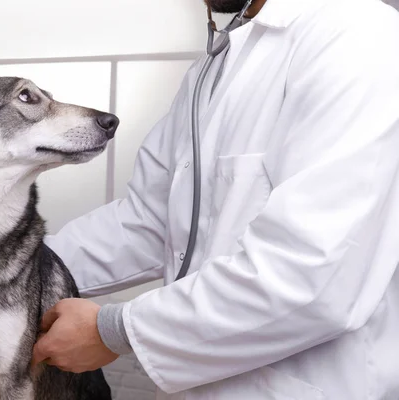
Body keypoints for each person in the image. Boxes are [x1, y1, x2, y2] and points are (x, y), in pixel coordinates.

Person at [32, 0, 399, 398]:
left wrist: (114, 331)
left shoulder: (358, 33)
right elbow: (150, 222)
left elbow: (315, 273)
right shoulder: (219, 64)